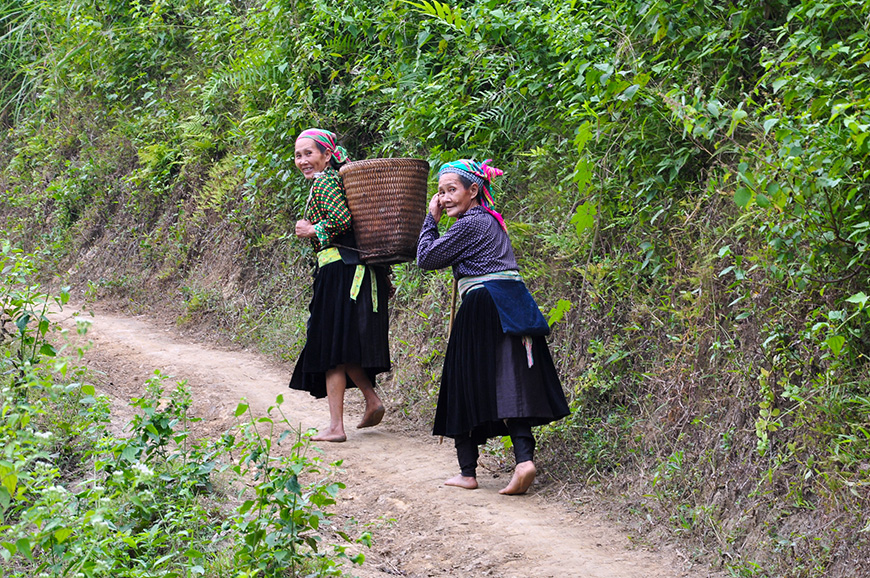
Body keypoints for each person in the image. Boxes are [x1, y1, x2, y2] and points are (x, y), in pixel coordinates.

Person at [417, 159, 570, 494]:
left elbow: (426, 258)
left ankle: (467, 472)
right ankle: (524, 460)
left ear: (474, 190)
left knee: (463, 380)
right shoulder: (490, 221)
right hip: (513, 301)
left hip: (484, 303)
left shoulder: (469, 223)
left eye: (451, 190)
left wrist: (432, 218)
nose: (444, 198)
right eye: (440, 192)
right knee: (512, 378)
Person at [288, 128, 390, 442]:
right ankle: (371, 400)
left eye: (309, 153)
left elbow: (341, 221)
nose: (303, 160)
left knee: (329, 346)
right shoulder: (333, 180)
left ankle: (336, 427)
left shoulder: (325, 181)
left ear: (327, 155)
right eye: (298, 155)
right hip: (344, 270)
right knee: (338, 345)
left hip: (340, 271)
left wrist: (310, 229)